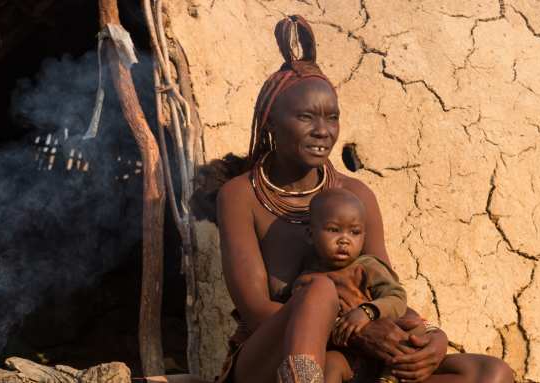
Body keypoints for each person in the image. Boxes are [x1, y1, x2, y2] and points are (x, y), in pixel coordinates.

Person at [215, 14, 515, 383]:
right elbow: (257, 310)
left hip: (354, 359)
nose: (323, 131)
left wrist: (432, 336)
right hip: (270, 364)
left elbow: (385, 287)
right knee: (318, 290)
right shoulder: (241, 196)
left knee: (489, 373)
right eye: (306, 117)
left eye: (332, 117)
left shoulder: (355, 196)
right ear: (271, 123)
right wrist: (351, 328)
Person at [294, 188, 422, 383]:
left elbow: (397, 297)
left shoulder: (368, 267)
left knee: (415, 329)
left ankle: (391, 377)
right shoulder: (308, 281)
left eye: (354, 232)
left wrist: (367, 311)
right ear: (311, 235)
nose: (344, 239)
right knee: (330, 367)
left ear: (363, 237)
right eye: (333, 230)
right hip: (347, 352)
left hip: (386, 342)